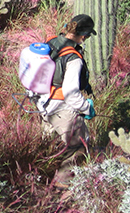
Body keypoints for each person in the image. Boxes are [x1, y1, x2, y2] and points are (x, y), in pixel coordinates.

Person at [36, 14, 97, 187]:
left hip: (41, 104)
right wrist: (86, 108)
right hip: (60, 108)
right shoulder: (74, 58)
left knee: (49, 145)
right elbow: (71, 94)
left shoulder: (52, 42)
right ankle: (63, 184)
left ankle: (40, 176)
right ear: (83, 36)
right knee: (78, 144)